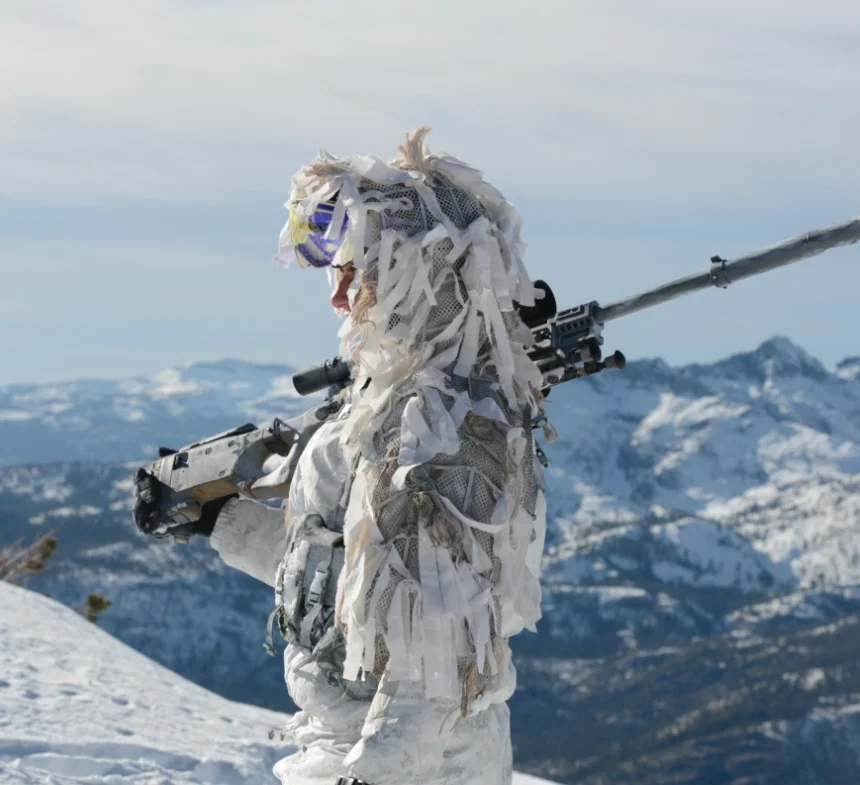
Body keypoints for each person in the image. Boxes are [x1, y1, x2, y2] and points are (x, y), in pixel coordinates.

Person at [133, 127, 551, 785]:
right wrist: (221, 524)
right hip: (337, 742)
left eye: (356, 275)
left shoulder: (451, 437)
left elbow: (436, 663)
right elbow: (339, 570)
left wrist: (373, 775)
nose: (337, 297)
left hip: (418, 767)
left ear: (417, 275)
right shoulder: (379, 407)